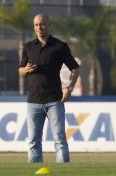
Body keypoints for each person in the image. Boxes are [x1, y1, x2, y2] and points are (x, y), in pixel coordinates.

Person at [18, 13, 80, 163]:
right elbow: (20, 72)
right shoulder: (28, 47)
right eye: (36, 25)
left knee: (59, 140)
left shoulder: (60, 46)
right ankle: (35, 170)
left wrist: (69, 88)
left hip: (54, 100)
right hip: (33, 101)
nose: (39, 27)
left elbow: (75, 68)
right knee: (33, 141)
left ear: (49, 25)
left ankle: (64, 172)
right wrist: (26, 69)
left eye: (42, 24)